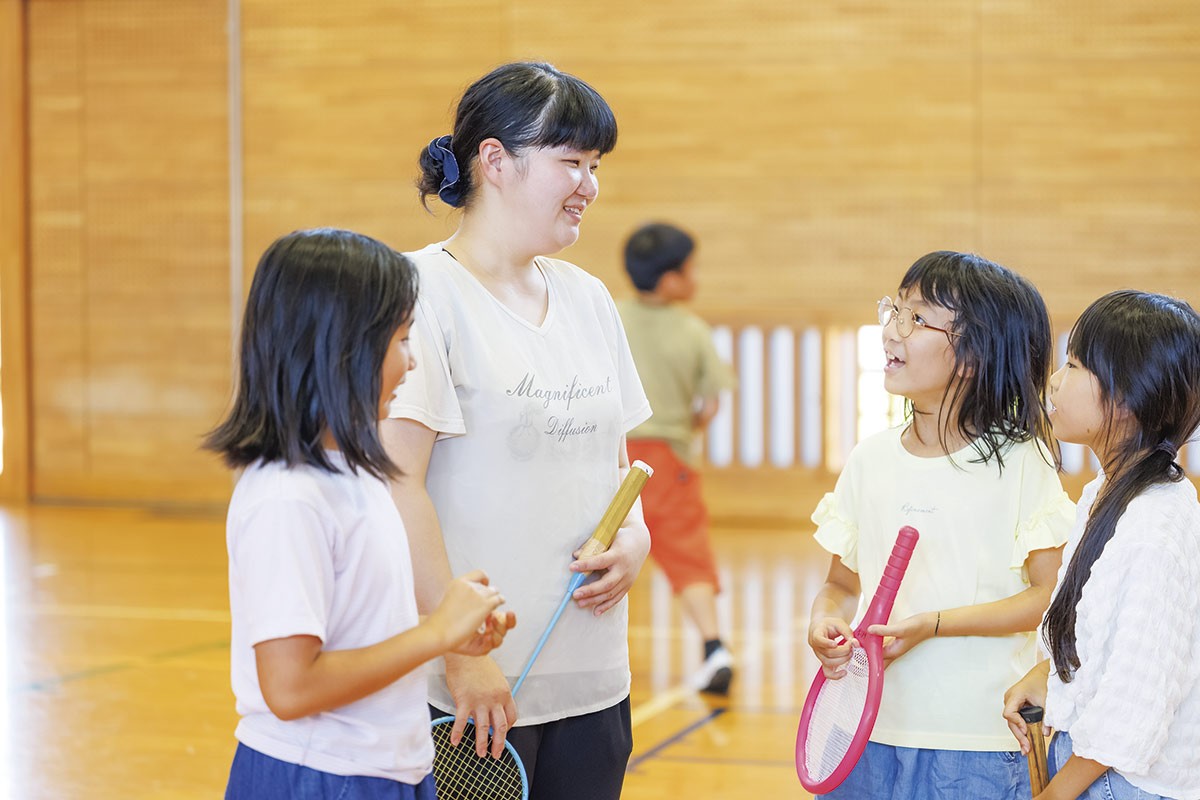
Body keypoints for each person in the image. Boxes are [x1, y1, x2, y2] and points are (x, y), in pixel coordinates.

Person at [382, 62, 652, 800]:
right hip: (471, 689)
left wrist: (636, 540)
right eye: (572, 162)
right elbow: (398, 488)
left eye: (595, 166)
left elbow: (617, 468)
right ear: (495, 160)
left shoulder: (589, 298)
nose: (589, 185)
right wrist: (461, 652)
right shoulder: (420, 292)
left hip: (595, 681)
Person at [205, 228, 515, 800]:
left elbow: (358, 632)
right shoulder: (287, 497)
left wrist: (450, 628)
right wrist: (436, 633)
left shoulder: (356, 474)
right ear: (340, 350)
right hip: (315, 776)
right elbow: (291, 688)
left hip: (387, 768)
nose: (412, 361)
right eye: (400, 340)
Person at [806, 251, 1076, 799]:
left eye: (916, 318)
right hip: (864, 730)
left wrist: (933, 624)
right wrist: (823, 620)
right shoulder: (869, 459)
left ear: (973, 354)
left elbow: (1048, 598)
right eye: (894, 310)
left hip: (976, 743)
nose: (891, 330)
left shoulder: (1023, 462)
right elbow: (841, 584)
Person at [1003, 291, 1200, 800]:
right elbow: (1099, 637)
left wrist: (1057, 793)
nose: (1053, 381)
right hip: (1095, 763)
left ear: (1127, 396)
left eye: (1073, 365)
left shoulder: (1155, 524)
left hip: (1122, 781)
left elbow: (1135, 700)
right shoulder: (1107, 490)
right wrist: (1046, 673)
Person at [617, 221, 738, 695]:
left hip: (611, 455)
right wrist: (688, 428)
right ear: (670, 279)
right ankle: (714, 648)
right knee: (688, 553)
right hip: (667, 459)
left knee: (594, 550)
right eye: (691, 269)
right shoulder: (692, 331)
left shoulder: (610, 317)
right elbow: (710, 405)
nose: (696, 278)